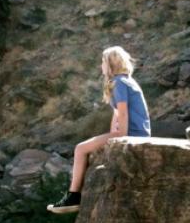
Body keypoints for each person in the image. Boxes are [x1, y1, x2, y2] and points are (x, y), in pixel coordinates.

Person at [47, 45, 151, 214]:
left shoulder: (119, 82)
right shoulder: (125, 81)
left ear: (110, 63)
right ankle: (73, 195)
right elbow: (117, 114)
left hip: (132, 134)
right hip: (137, 132)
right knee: (89, 147)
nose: (101, 66)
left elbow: (123, 113)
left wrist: (120, 138)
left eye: (103, 61)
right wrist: (111, 137)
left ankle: (73, 197)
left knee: (80, 149)